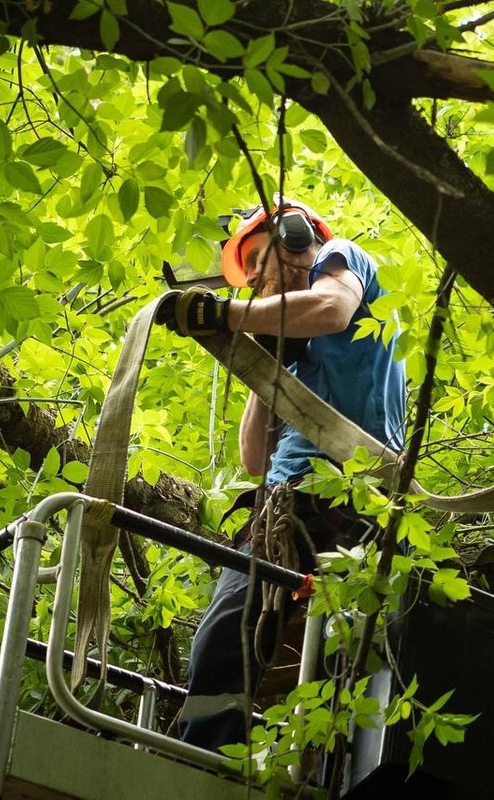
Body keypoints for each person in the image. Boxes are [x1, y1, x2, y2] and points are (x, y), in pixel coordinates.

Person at [155, 197, 406, 751]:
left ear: (296, 235)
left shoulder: (341, 260)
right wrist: (264, 362)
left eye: (265, 265)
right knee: (226, 633)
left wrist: (224, 315)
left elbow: (332, 310)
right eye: (254, 280)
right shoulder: (288, 333)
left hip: (357, 498)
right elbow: (255, 460)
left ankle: (338, 770)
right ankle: (206, 756)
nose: (264, 283)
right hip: (285, 500)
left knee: (354, 651)